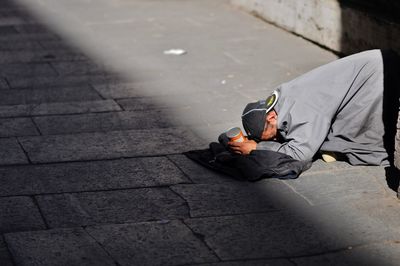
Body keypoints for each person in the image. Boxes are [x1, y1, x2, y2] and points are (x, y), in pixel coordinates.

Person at [228, 49, 400, 168]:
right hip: (376, 63)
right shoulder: (282, 99)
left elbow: (300, 153)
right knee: (331, 133)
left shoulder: (301, 109)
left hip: (380, 74)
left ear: (271, 118)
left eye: (269, 136)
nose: (272, 140)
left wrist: (257, 148)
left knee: (364, 141)